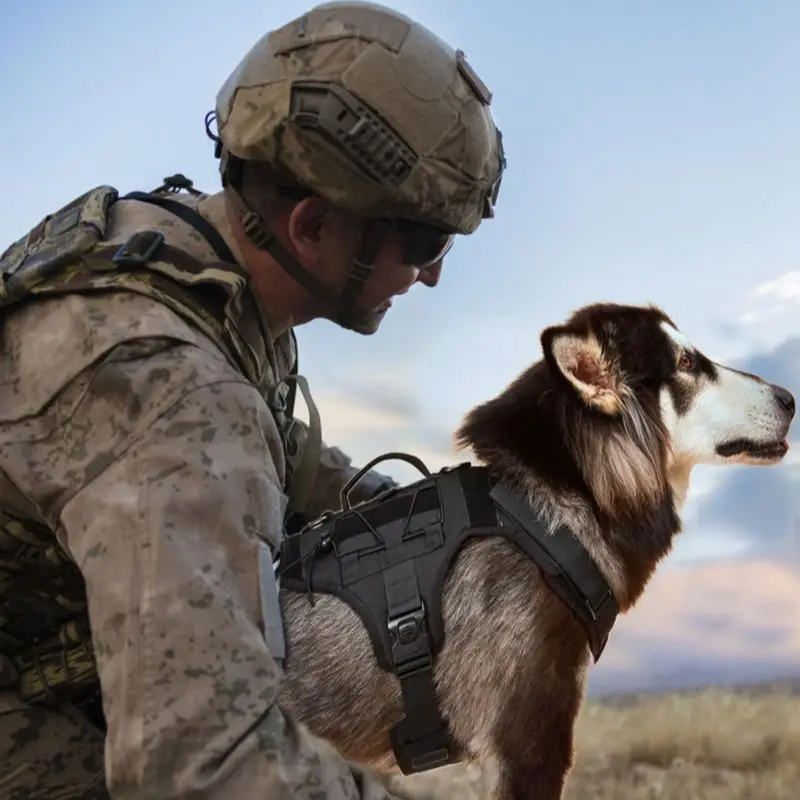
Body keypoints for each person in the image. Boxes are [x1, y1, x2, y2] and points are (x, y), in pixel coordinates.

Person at [0, 1, 506, 797]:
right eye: (425, 242)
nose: (433, 273)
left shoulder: (189, 257)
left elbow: (285, 450)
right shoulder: (178, 400)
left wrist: (443, 512)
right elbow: (202, 767)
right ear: (310, 226)